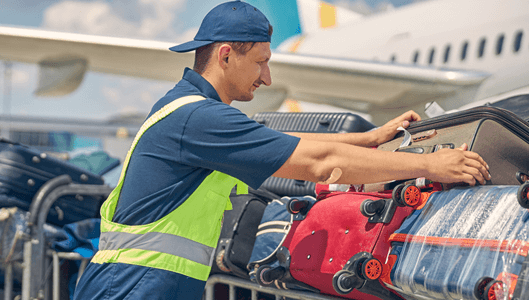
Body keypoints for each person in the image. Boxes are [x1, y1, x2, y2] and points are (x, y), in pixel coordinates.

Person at [73, 1, 490, 299]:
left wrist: (368, 138)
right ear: (225, 55)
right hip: (130, 287)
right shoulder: (199, 119)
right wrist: (435, 163)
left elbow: (290, 146)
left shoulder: (194, 113)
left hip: (145, 284)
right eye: (260, 62)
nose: (267, 78)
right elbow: (317, 162)